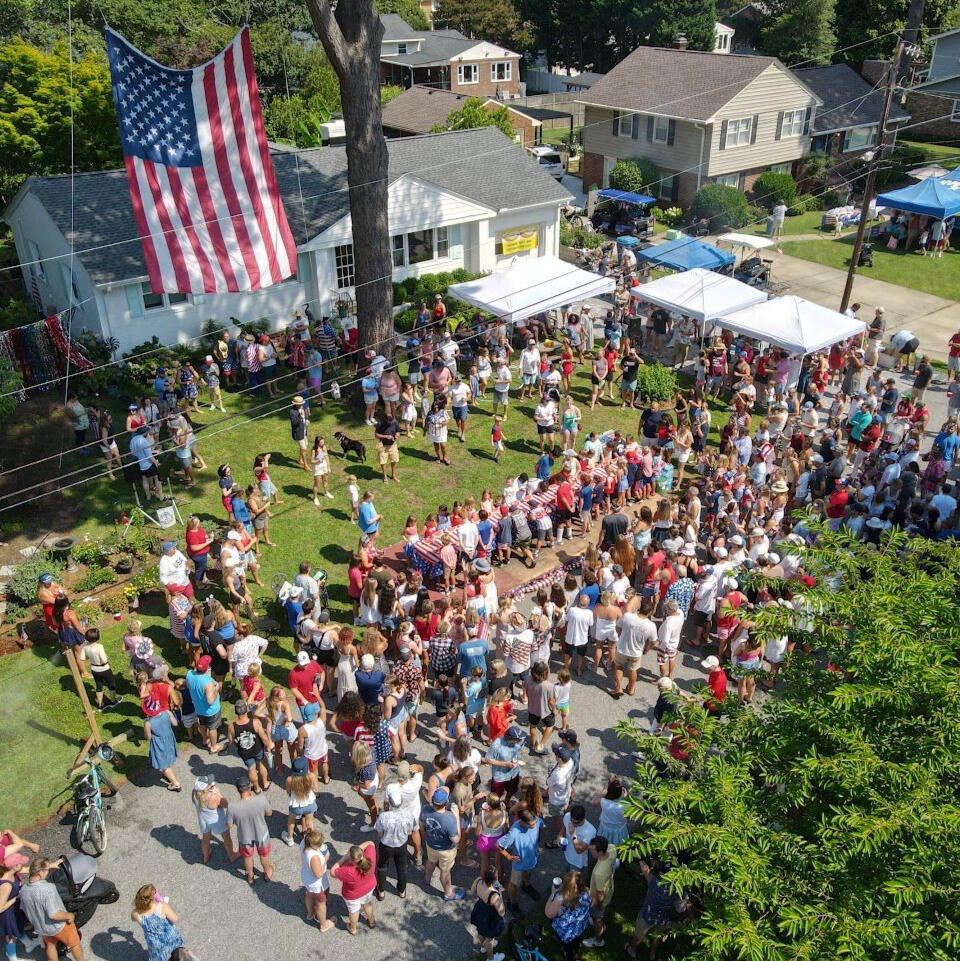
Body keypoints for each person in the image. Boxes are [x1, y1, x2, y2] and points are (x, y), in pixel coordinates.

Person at [19, 858, 85, 961]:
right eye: (47, 870)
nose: (48, 872)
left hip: (42, 928)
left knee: (50, 945)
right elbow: (54, 914)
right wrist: (69, 915)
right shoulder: (48, 888)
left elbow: (25, 910)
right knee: (75, 944)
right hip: (59, 926)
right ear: (40, 873)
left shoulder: (23, 891)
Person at [228, 776, 275, 885]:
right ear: (250, 787)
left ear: (238, 789)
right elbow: (269, 813)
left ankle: (250, 876)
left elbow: (229, 825)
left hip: (244, 837)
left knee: (247, 857)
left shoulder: (232, 807)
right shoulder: (261, 799)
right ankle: (267, 872)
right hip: (261, 833)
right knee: (264, 855)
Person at [420, 788, 465, 901]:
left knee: (431, 861)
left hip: (431, 845)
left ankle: (427, 878)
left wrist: (426, 838)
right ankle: (449, 894)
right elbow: (456, 839)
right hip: (446, 850)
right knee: (445, 871)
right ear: (446, 802)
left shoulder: (425, 809)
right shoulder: (449, 818)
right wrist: (457, 817)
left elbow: (421, 827)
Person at [497, 807, 542, 917]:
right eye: (531, 825)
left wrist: (537, 841)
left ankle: (527, 885)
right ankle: (512, 903)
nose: (534, 825)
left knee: (528, 873)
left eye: (535, 823)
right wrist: (508, 856)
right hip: (519, 863)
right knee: (514, 883)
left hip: (531, 858)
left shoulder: (537, 820)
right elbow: (498, 845)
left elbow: (540, 826)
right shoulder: (514, 832)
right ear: (523, 822)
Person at [374, 782, 416, 899]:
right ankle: (402, 891)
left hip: (386, 845)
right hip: (401, 845)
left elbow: (379, 833)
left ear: (390, 803)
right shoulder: (408, 815)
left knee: (382, 867)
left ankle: (381, 891)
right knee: (402, 868)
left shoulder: (383, 816)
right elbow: (410, 832)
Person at [544, 870, 592, 961]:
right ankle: (576, 950)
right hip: (580, 926)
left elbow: (548, 913)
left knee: (567, 948)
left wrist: (553, 894)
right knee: (576, 941)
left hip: (566, 933)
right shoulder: (587, 891)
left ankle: (570, 958)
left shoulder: (560, 898)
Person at [331, 843, 378, 935]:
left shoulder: (349, 871)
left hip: (353, 895)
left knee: (354, 911)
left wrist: (344, 858)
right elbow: (370, 843)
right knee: (367, 904)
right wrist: (356, 851)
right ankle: (372, 921)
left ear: (352, 860)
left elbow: (333, 872)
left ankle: (353, 929)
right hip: (369, 888)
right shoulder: (370, 857)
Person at [131, 884, 186, 961]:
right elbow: (175, 919)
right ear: (153, 897)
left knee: (159, 957)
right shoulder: (162, 906)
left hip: (156, 944)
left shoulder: (135, 913)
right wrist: (163, 902)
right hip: (171, 938)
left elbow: (133, 919)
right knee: (177, 953)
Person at [582, 836, 617, 948]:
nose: (590, 850)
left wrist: (597, 907)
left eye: (592, 850)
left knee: (597, 919)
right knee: (598, 916)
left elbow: (600, 895)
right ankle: (598, 921)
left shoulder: (599, 873)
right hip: (610, 888)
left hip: (599, 899)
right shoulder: (611, 848)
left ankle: (598, 940)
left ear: (601, 852)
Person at [300, 826, 335, 934]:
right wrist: (325, 858)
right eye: (319, 844)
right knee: (321, 903)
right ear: (313, 844)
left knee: (309, 894)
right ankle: (323, 925)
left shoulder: (304, 842)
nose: (321, 845)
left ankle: (310, 914)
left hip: (307, 877)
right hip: (316, 883)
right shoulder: (314, 857)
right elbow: (319, 874)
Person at [469, 864, 507, 961]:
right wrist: (500, 893)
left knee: (481, 931)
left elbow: (472, 892)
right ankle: (491, 958)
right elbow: (502, 912)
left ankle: (483, 947)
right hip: (490, 916)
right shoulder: (494, 895)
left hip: (480, 909)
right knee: (490, 938)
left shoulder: (478, 880)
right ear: (495, 880)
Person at [186, 655, 223, 754]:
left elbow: (188, 686)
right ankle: (214, 747)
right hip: (211, 710)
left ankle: (204, 739)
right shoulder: (208, 683)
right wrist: (216, 689)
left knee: (202, 724)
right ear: (207, 668)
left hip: (198, 707)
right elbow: (210, 701)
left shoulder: (189, 675)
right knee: (213, 728)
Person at [144, 708, 181, 791]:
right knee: (169, 759)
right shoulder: (167, 712)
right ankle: (170, 776)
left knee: (163, 765)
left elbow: (148, 737)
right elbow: (175, 723)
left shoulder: (148, 723)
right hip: (169, 739)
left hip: (159, 744)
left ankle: (176, 784)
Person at [290, 396, 310, 472]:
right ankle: (305, 465)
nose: (301, 405)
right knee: (304, 448)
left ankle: (300, 459)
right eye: (299, 404)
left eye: (302, 403)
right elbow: (294, 423)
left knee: (305, 445)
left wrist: (306, 417)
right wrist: (300, 416)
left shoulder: (303, 407)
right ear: (295, 404)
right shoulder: (292, 412)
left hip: (304, 431)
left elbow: (306, 416)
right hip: (298, 433)